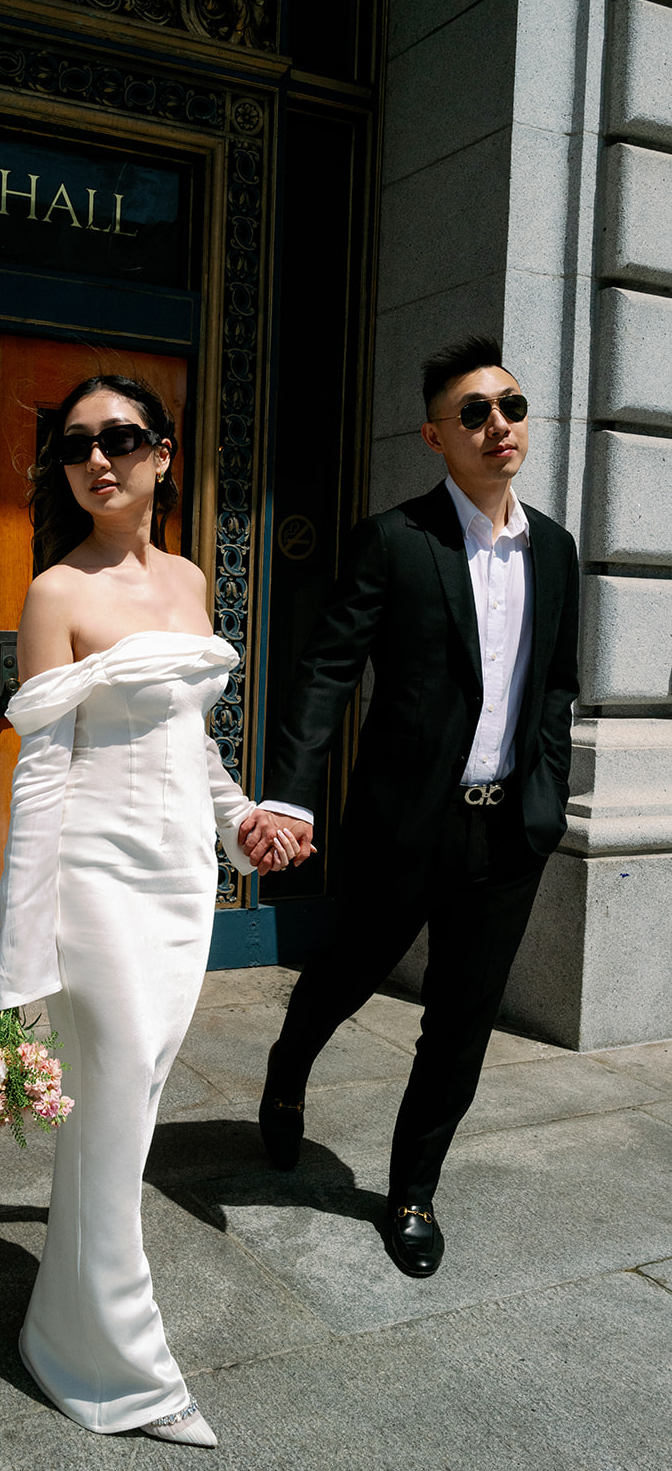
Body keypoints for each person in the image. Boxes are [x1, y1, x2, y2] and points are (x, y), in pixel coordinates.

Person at [0, 373, 298, 1446]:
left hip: (179, 883)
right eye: (75, 445)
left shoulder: (190, 577)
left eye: (121, 437)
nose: (98, 458)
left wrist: (242, 818)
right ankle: (121, 1372)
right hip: (96, 884)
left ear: (165, 454)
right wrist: (17, 962)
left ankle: (58, 1331)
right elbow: (40, 779)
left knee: (125, 1117)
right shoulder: (55, 595)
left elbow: (190, 741)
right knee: (115, 1117)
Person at [243, 335, 579, 1278]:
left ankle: (411, 1192)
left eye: (509, 405)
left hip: (508, 828)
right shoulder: (396, 538)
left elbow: (557, 684)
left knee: (462, 1020)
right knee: (345, 978)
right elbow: (327, 672)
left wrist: (545, 792)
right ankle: (288, 1068)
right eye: (473, 413)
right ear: (436, 437)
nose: (498, 426)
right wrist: (291, 798)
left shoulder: (555, 548)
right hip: (404, 826)